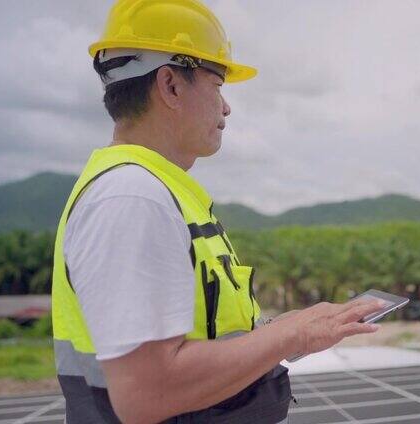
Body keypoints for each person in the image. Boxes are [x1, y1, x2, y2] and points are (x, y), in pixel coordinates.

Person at [50, 1, 384, 422]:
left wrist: (282, 330)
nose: (226, 107)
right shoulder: (131, 198)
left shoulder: (156, 190)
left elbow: (198, 338)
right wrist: (288, 334)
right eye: (218, 84)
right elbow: (148, 392)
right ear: (170, 86)